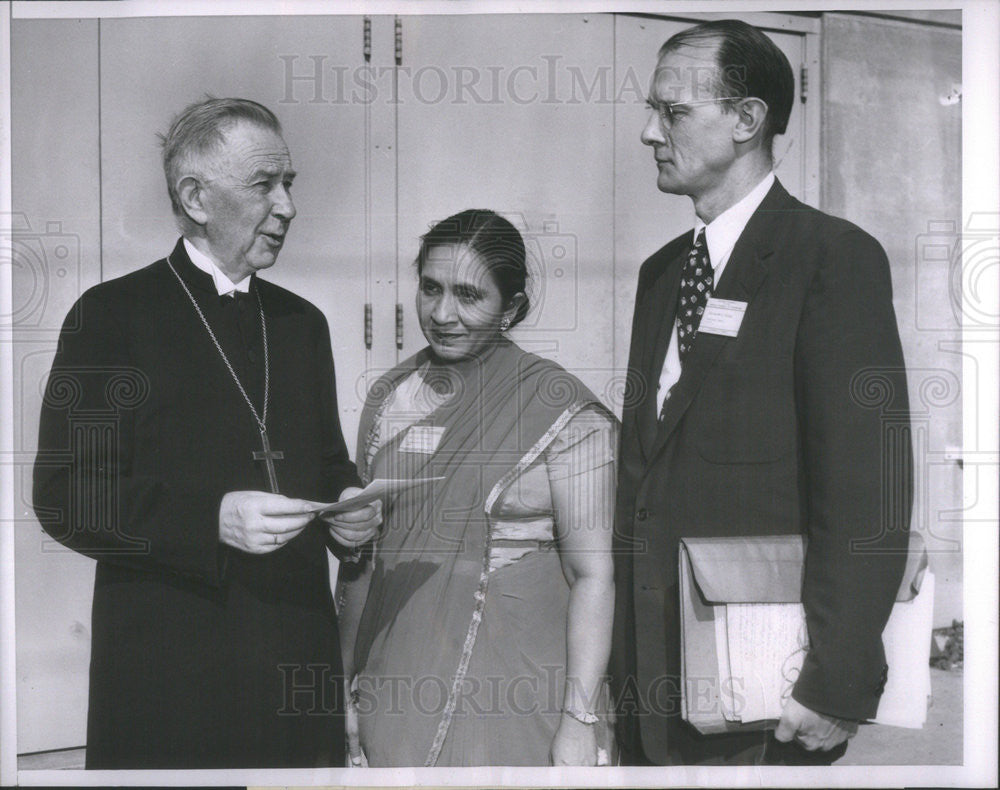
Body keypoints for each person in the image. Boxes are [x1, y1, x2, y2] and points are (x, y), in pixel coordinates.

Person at [32, 97, 380, 769]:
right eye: (264, 185)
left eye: (289, 185)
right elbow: (67, 494)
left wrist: (349, 503)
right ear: (196, 197)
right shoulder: (112, 315)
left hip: (295, 659)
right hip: (172, 673)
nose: (287, 206)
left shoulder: (302, 323)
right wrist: (211, 520)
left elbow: (326, 460)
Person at [611, 20, 912, 766]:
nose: (650, 131)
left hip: (768, 697)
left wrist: (836, 680)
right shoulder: (662, 274)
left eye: (673, 112)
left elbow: (867, 491)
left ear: (747, 120)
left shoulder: (831, 260)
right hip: (655, 688)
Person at [336, 209, 617, 766]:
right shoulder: (389, 398)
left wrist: (579, 723)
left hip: (521, 691)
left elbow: (594, 576)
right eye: (430, 289)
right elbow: (363, 565)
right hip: (397, 686)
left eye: (469, 296)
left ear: (511, 308)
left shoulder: (561, 408)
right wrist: (341, 685)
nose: (443, 314)